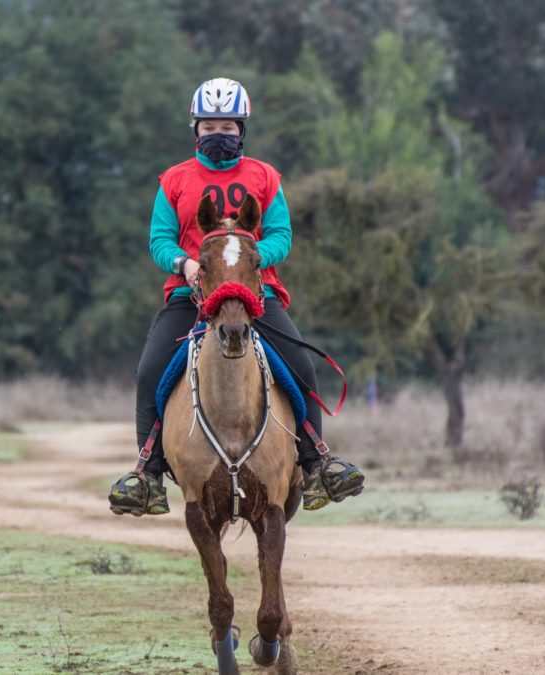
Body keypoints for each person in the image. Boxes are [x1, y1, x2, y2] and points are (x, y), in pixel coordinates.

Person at [108, 77, 365, 517]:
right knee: (151, 369)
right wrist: (185, 265)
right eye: (209, 128)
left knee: (300, 364)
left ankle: (317, 461)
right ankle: (147, 474)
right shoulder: (174, 181)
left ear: (241, 129)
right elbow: (160, 240)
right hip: (190, 296)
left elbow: (281, 236)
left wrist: (246, 260)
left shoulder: (265, 177)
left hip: (254, 295)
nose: (218, 136)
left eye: (227, 128)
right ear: (195, 130)